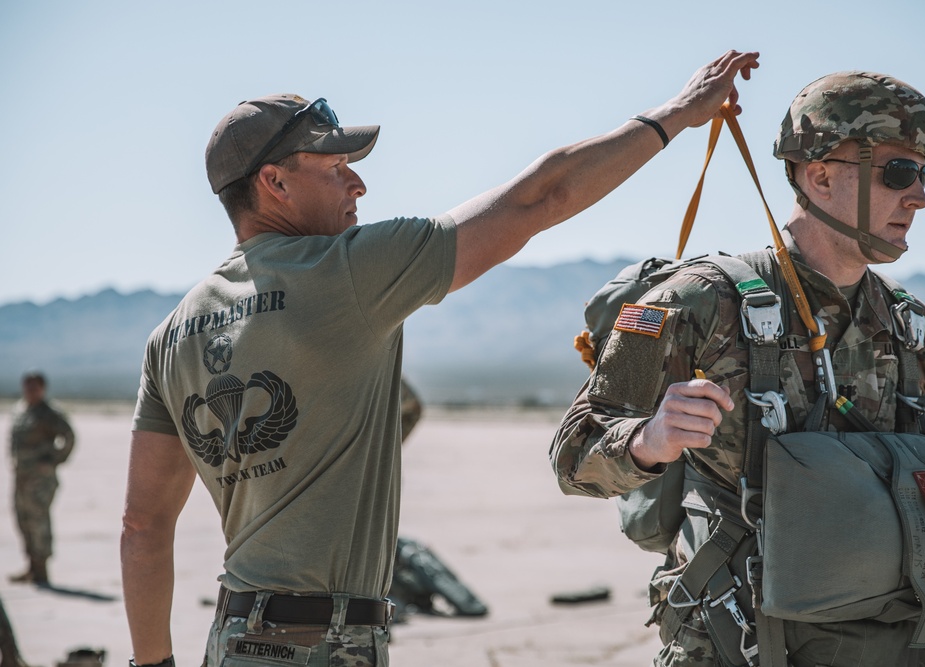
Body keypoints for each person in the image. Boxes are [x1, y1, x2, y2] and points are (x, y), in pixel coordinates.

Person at [120, 50, 761, 667]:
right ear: (275, 183)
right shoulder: (347, 270)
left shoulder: (171, 335)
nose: (358, 181)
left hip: (233, 636)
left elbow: (144, 527)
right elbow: (539, 198)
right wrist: (677, 113)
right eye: (335, 165)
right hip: (326, 641)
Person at [550, 71, 925, 665]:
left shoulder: (917, 329)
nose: (918, 196)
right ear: (819, 176)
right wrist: (650, 440)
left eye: (922, 174)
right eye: (898, 173)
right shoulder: (692, 302)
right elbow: (574, 454)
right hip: (742, 644)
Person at [8, 371, 75, 586]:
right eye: (27, 386)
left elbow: (69, 437)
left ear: (42, 388)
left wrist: (53, 461)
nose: (29, 391)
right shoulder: (20, 410)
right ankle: (31, 566)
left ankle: (41, 569)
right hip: (21, 477)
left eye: (34, 387)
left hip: (40, 480)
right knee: (22, 519)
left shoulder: (49, 413)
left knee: (39, 521)